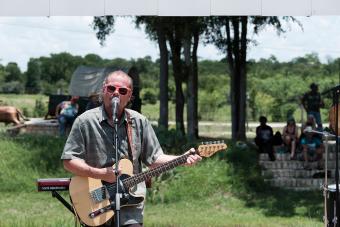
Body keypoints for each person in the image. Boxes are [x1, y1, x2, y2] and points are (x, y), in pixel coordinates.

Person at [60, 70, 201, 227]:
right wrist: (101, 174)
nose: (116, 94)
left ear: (129, 96)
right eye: (111, 88)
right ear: (103, 89)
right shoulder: (85, 121)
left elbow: (154, 159)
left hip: (130, 203)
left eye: (122, 91)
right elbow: (69, 160)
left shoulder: (139, 122)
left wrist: (182, 158)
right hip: (96, 199)